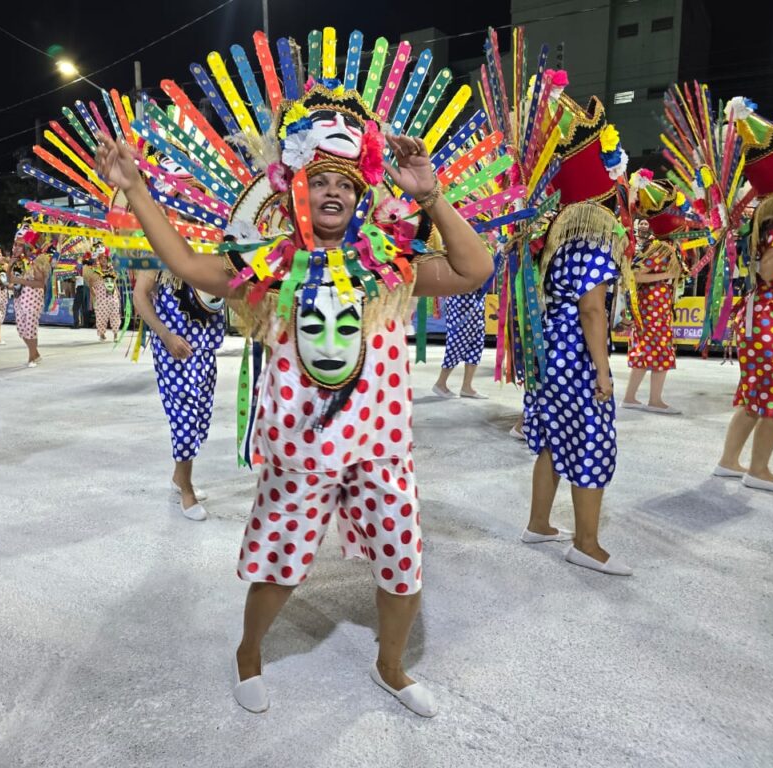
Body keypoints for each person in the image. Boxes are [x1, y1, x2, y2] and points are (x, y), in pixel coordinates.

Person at [94, 39, 495, 715]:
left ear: (361, 196)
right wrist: (135, 191)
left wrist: (432, 197)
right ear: (299, 191)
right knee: (278, 569)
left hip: (382, 450)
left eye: (348, 184)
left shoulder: (391, 266)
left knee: (403, 566)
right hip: (300, 453)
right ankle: (249, 652)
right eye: (323, 182)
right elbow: (189, 268)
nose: (335, 191)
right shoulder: (268, 265)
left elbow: (474, 269)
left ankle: (391, 667)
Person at [518, 95, 633, 576]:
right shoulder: (594, 245)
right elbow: (592, 311)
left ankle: (539, 523)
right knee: (591, 440)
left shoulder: (557, 246)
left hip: (551, 355)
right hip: (577, 358)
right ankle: (587, 544)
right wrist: (603, 371)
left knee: (551, 438)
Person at [714, 100, 773, 493]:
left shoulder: (769, 214)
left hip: (764, 318)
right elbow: (770, 269)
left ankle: (729, 461)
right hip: (771, 318)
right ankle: (759, 469)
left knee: (757, 396)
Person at [132, 263, 224, 521]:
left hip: (205, 349)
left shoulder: (209, 248)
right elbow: (140, 295)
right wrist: (165, 335)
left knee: (200, 420)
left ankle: (178, 476)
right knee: (184, 419)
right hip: (174, 349)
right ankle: (186, 489)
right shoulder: (160, 249)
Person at [622, 174, 684, 414]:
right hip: (652, 309)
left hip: (656, 308)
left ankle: (640, 398)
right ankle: (647, 399)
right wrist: (664, 278)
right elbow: (635, 276)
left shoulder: (662, 246)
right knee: (653, 350)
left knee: (651, 351)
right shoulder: (660, 248)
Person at [432, 287, 488, 399]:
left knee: (476, 345)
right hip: (461, 302)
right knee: (456, 344)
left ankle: (467, 387)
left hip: (477, 302)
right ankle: (440, 383)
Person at [8, 223, 50, 367]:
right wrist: (10, 265)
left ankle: (31, 358)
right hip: (19, 298)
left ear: (27, 246)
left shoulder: (37, 261)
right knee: (21, 330)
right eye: (15, 245)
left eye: (19, 245)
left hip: (33, 299)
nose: (16, 248)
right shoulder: (18, 261)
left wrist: (18, 280)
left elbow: (40, 283)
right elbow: (9, 280)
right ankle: (36, 354)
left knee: (30, 329)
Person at [88, 253, 121, 341]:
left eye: (105, 258)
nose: (104, 260)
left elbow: (113, 282)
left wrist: (117, 291)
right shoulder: (95, 271)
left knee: (115, 315)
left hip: (112, 297)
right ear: (99, 260)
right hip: (101, 298)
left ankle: (115, 334)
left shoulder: (111, 270)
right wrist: (94, 294)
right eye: (101, 258)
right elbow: (90, 284)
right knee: (101, 317)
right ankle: (102, 334)